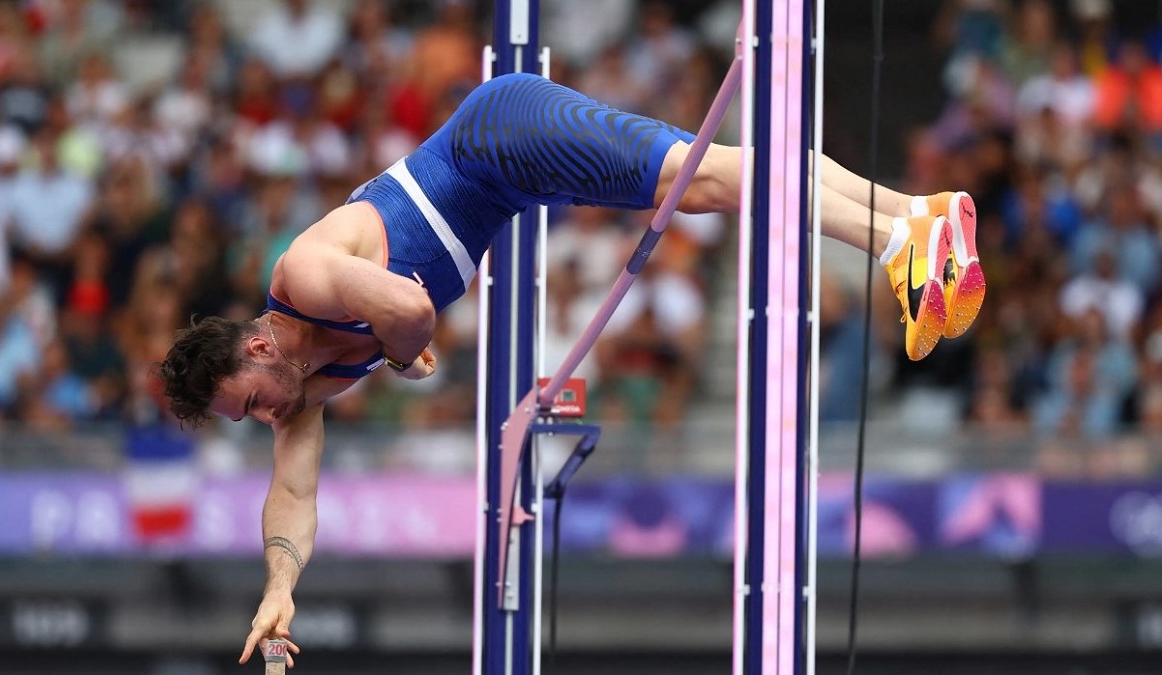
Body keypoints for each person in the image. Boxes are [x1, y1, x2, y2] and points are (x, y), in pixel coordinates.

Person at [155, 72, 984, 667]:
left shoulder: (304, 276)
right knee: (707, 180)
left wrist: (406, 356)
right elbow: (293, 495)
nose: (267, 418)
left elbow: (409, 313)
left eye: (253, 403)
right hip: (508, 179)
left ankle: (900, 240)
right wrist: (279, 584)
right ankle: (917, 217)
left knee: (697, 183)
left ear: (258, 347)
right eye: (252, 419)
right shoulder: (304, 388)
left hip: (497, 133)